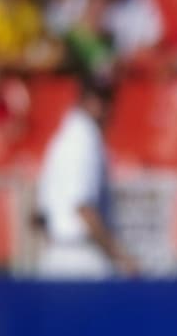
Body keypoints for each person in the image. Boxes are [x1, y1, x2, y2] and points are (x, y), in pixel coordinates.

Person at [34, 72, 138, 278]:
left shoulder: (60, 139)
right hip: (82, 258)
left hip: (55, 255)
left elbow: (39, 216)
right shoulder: (84, 139)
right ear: (88, 101)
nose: (108, 109)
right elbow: (83, 208)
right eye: (103, 100)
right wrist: (120, 257)